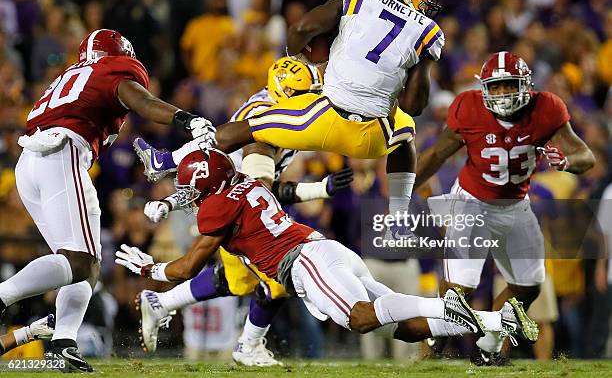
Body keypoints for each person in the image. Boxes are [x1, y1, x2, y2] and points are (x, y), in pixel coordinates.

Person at [116, 149, 539, 355]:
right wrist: (169, 205)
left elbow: (189, 265)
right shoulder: (246, 185)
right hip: (324, 250)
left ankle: (468, 312)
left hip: (305, 263)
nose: (189, 195)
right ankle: (493, 321)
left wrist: (149, 265)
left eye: (192, 189)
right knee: (406, 329)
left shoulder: (218, 205)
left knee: (359, 318)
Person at [137, 0, 445, 224]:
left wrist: (295, 55)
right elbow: (414, 106)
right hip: (372, 136)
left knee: (245, 129)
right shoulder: (428, 31)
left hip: (323, 118)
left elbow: (303, 28)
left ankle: (168, 160)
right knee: (405, 133)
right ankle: (399, 213)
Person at [0, 29, 215, 371]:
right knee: (79, 260)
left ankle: (64, 343)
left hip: (33, 161)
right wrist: (184, 118)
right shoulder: (114, 70)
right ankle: (4, 296)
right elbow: (140, 101)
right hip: (62, 152)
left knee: (87, 262)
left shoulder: (71, 75)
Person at [134, 57, 353, 366]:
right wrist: (318, 190)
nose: (307, 101)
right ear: (281, 90)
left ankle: (162, 302)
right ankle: (248, 346)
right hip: (233, 207)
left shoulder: (272, 104)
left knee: (237, 282)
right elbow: (261, 189)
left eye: (310, 94)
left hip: (227, 197)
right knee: (278, 279)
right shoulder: (266, 127)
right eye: (301, 94)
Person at [415, 51, 595, 365]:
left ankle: (488, 343)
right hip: (472, 201)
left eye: (509, 85)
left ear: (525, 84)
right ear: (484, 88)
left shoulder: (547, 107)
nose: (502, 93)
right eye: (495, 87)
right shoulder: (468, 107)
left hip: (516, 205)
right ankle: (430, 347)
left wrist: (567, 162)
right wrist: (403, 191)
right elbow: (436, 155)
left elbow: (585, 155)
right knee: (460, 291)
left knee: (529, 286)